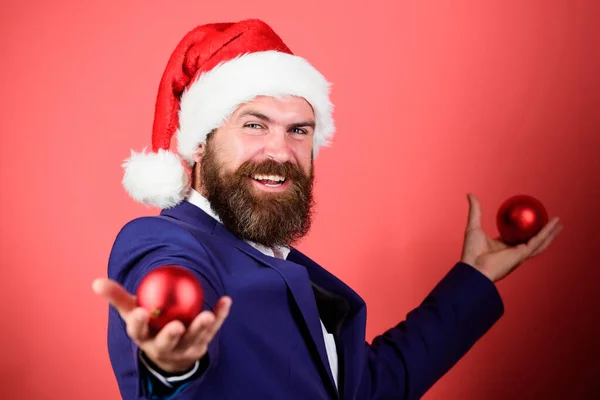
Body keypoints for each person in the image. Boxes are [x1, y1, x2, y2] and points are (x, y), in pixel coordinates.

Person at [92, 19, 562, 400]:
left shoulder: (279, 263)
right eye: (254, 125)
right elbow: (169, 288)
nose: (280, 150)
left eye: (300, 130)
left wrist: (474, 277)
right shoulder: (166, 241)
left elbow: (374, 387)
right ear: (199, 145)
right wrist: (170, 363)